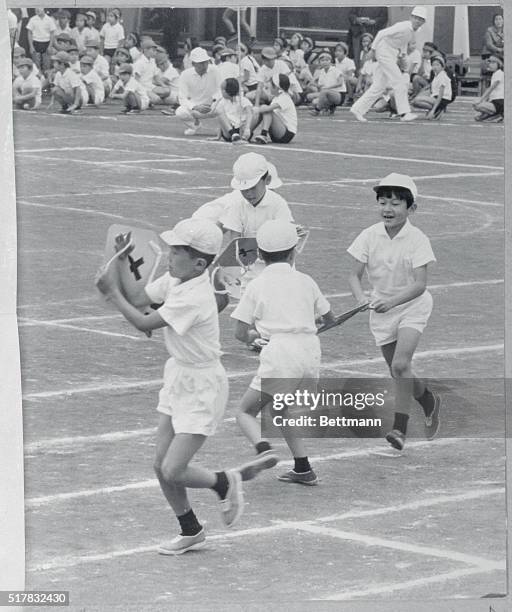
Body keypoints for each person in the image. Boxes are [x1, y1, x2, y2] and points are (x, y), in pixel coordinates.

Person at [95, 217, 256, 555]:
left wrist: (112, 292)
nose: (169, 255)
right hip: (178, 376)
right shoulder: (176, 279)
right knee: (160, 466)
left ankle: (224, 482)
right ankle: (191, 529)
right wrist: (123, 262)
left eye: (177, 251)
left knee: (173, 468)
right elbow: (141, 300)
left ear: (199, 263)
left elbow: (142, 321)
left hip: (203, 385)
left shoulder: (194, 296)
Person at [231, 219, 335, 485]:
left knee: (244, 412)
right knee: (282, 410)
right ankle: (303, 468)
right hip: (310, 354)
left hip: (280, 354)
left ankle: (263, 451)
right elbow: (329, 318)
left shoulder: (256, 284)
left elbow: (239, 332)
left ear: (260, 255)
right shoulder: (307, 281)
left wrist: (255, 337)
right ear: (293, 251)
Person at [347, 173, 440, 452]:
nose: (388, 208)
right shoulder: (368, 235)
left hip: (412, 305)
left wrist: (392, 302)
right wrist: (361, 297)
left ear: (411, 209)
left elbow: (420, 285)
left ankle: (399, 428)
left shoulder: (418, 239)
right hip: (382, 311)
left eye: (396, 203)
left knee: (400, 365)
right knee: (398, 371)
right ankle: (427, 399)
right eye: (383, 202)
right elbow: (353, 274)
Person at [350, 6, 427, 123]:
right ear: (411, 17)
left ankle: (357, 109)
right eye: (416, 18)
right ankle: (404, 113)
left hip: (392, 52)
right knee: (399, 81)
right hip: (384, 50)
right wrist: (373, 50)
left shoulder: (415, 31)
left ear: (423, 22)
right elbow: (381, 33)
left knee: (379, 86)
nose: (417, 21)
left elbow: (403, 41)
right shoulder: (403, 26)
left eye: (420, 19)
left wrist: (402, 54)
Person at [176, 46, 222, 135]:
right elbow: (182, 97)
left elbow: (220, 90)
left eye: (206, 62)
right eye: (201, 63)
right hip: (195, 109)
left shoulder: (215, 70)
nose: (204, 65)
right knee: (180, 112)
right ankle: (194, 125)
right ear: (193, 64)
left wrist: (213, 101)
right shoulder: (185, 75)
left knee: (225, 107)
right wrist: (195, 107)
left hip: (213, 106)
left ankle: (224, 130)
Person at [252, 73, 297, 145]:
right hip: (278, 132)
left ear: (277, 87)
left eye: (270, 83)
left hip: (286, 134)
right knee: (264, 109)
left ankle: (263, 134)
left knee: (266, 109)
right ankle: (249, 131)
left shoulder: (284, 97)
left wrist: (254, 109)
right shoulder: (277, 97)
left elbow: (268, 109)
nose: (268, 85)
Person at [209, 77, 253, 143]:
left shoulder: (243, 100)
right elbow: (221, 120)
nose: (221, 92)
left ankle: (243, 138)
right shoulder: (221, 102)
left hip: (242, 130)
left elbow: (249, 113)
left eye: (222, 90)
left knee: (255, 110)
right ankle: (234, 135)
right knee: (219, 111)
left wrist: (247, 128)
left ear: (229, 91)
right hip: (229, 132)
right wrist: (218, 136)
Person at [411, 55, 452, 120]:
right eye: (433, 65)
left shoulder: (443, 76)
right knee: (414, 101)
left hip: (442, 99)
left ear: (442, 67)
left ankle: (437, 109)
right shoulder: (436, 75)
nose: (435, 67)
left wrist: (433, 110)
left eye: (437, 65)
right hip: (435, 98)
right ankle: (437, 110)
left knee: (416, 100)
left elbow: (440, 96)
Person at [308, 50, 346, 115]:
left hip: (339, 94)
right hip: (327, 94)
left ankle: (317, 110)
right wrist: (314, 84)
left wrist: (328, 88)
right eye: (322, 61)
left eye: (327, 60)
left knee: (324, 92)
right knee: (310, 97)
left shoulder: (336, 70)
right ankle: (329, 108)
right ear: (319, 62)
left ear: (330, 62)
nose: (325, 62)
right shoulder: (321, 71)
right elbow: (321, 86)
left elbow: (340, 83)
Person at [473, 55, 504, 122]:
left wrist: (481, 100)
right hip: (494, 102)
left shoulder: (499, 73)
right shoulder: (495, 74)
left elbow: (491, 89)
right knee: (477, 117)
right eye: (489, 62)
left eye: (493, 62)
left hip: (499, 102)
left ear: (499, 64)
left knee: (477, 105)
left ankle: (498, 114)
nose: (490, 64)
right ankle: (496, 116)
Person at [132, 38, 160, 105]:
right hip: (142, 87)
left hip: (150, 86)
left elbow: (156, 78)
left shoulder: (152, 61)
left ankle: (147, 100)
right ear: (145, 50)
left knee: (166, 91)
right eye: (153, 50)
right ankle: (142, 99)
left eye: (155, 50)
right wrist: (141, 91)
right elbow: (136, 80)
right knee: (156, 99)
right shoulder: (139, 62)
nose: (155, 52)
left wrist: (164, 86)